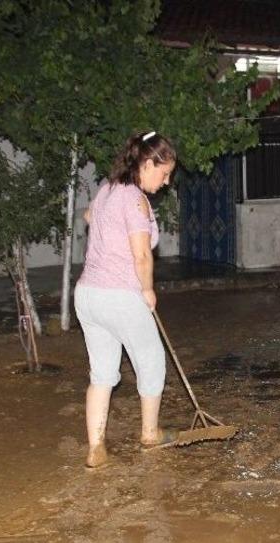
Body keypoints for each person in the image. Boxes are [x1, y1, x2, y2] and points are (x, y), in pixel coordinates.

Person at [75, 131, 177, 468]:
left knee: (102, 374)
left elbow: (89, 217)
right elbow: (142, 256)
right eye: (164, 173)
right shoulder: (135, 200)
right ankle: (150, 433)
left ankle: (96, 449)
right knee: (152, 361)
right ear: (147, 164)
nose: (166, 182)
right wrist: (147, 290)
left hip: (88, 295)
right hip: (120, 295)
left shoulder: (108, 189)